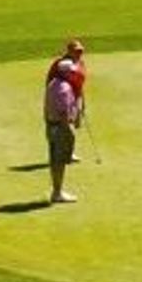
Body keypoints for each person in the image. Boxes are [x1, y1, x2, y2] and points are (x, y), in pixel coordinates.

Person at [43, 57, 81, 204]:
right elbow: (64, 115)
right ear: (65, 73)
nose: (74, 74)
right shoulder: (64, 89)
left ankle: (56, 190)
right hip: (60, 127)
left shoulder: (53, 84)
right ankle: (57, 193)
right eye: (71, 73)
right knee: (59, 161)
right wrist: (70, 134)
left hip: (51, 125)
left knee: (54, 159)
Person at [48, 38, 87, 159]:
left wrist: (82, 102)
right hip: (62, 98)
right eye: (77, 51)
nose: (79, 53)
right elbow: (51, 82)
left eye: (81, 51)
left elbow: (80, 83)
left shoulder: (81, 63)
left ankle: (69, 152)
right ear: (69, 51)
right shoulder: (60, 64)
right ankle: (61, 152)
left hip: (75, 97)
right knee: (63, 125)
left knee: (73, 124)